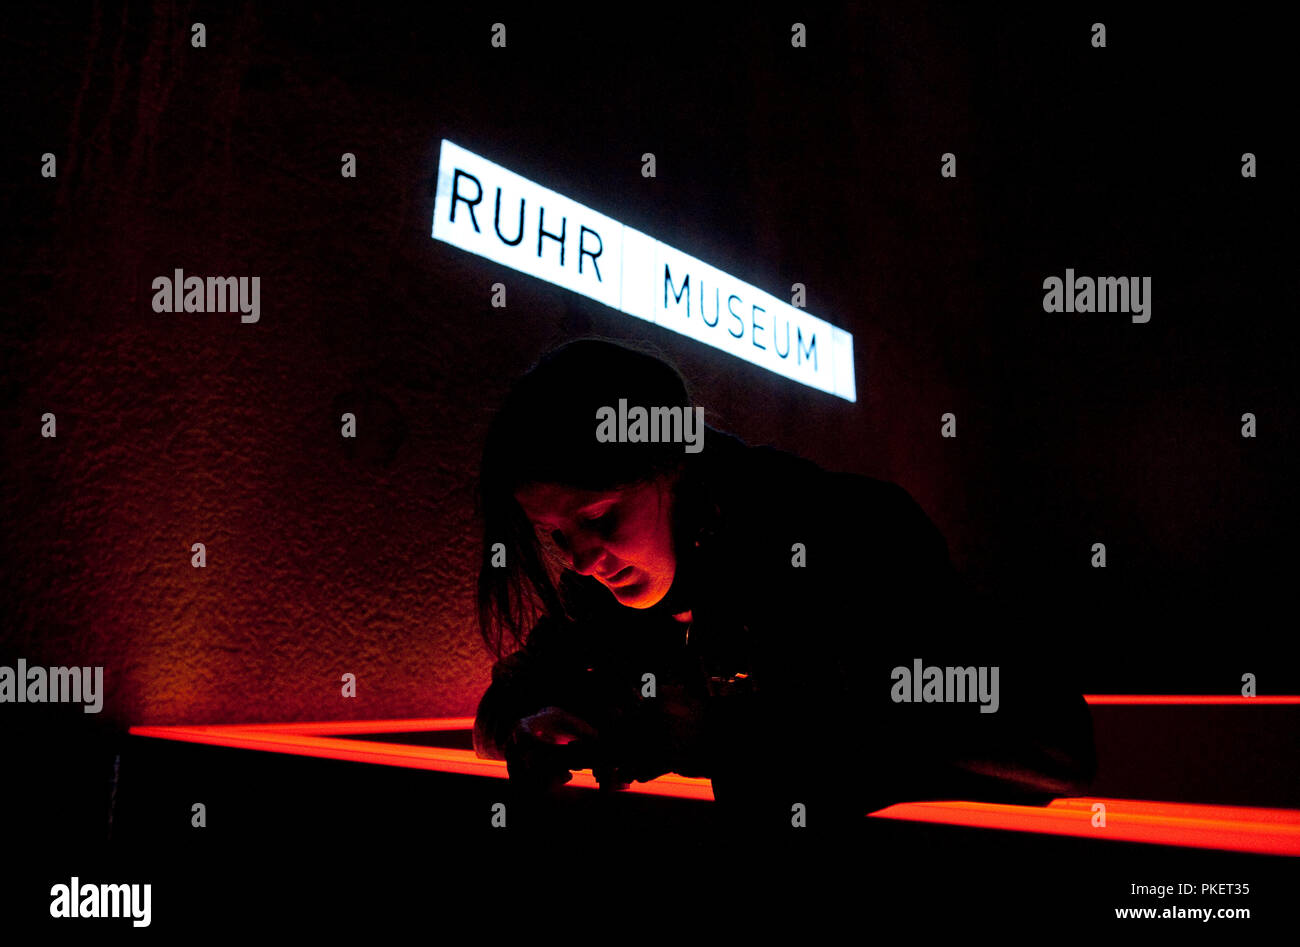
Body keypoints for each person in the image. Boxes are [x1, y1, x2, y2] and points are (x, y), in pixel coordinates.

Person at [472, 337, 1096, 830]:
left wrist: (694, 738)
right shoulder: (595, 603)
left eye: (600, 516)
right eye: (555, 534)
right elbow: (495, 716)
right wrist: (541, 732)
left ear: (671, 464)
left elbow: (1052, 745)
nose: (580, 560)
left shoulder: (848, 534)